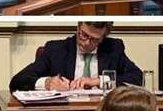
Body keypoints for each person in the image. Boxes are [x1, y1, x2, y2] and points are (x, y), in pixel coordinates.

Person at [9, 22, 143, 92]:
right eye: (83, 35)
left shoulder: (113, 48)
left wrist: (98, 81)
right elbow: (17, 81)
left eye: (94, 39)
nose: (86, 42)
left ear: (103, 38)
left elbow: (137, 77)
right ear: (78, 28)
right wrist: (47, 83)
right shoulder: (55, 50)